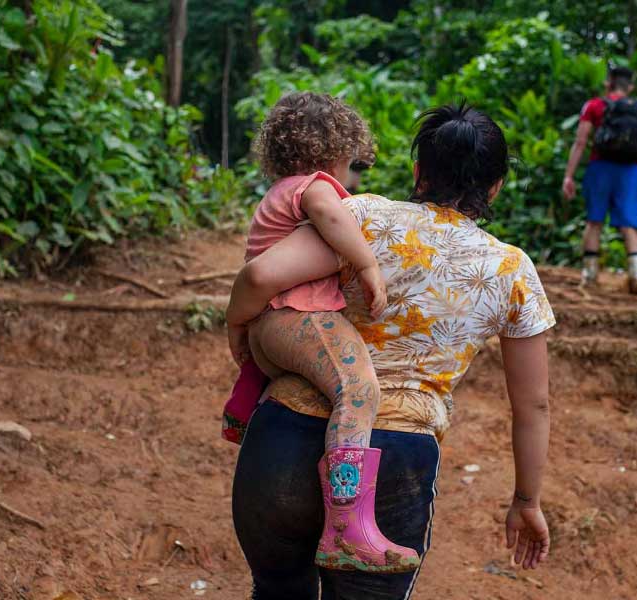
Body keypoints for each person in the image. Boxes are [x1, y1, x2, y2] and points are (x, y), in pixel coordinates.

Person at [227, 103, 554, 599]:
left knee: (278, 590)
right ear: (496, 186)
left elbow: (262, 276)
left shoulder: (358, 216)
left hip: (282, 439)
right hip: (395, 459)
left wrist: (242, 331)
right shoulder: (512, 270)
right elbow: (533, 405)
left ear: (419, 171)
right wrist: (526, 500)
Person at [225, 91, 420, 573]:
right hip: (298, 317)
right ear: (338, 147)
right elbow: (332, 215)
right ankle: (346, 526)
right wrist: (367, 262)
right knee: (357, 389)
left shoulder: (280, 191)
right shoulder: (315, 187)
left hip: (272, 327)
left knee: (325, 388)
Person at [562, 66, 637, 294]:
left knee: (594, 222)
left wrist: (569, 175)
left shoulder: (595, 106)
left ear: (608, 83)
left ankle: (590, 276)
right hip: (632, 171)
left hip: (600, 168)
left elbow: (581, 141)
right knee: (630, 225)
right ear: (630, 86)